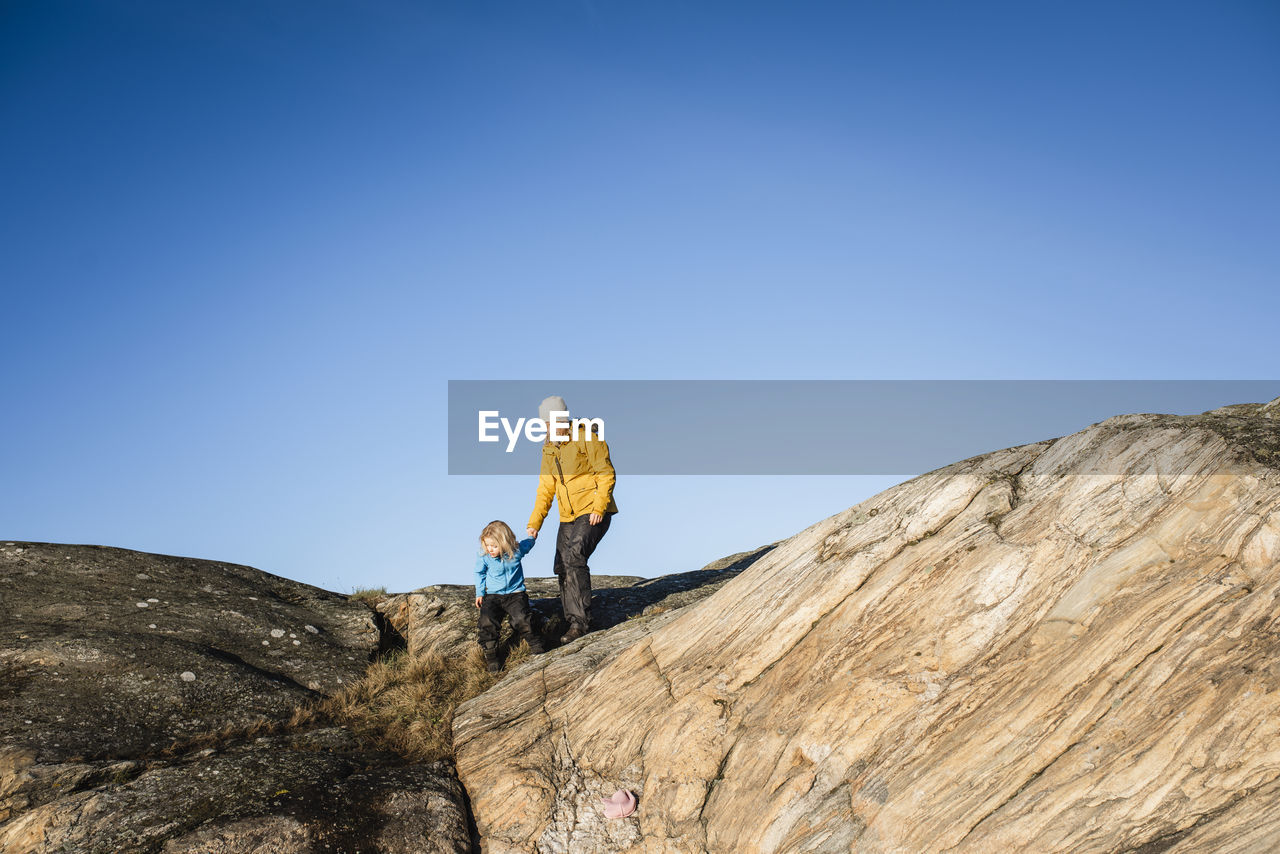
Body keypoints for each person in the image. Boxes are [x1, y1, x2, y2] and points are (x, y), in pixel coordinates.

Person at [526, 395, 617, 645]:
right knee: (562, 565)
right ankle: (571, 621)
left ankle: (580, 624)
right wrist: (535, 523)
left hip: (594, 509)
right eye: (546, 423)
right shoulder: (548, 449)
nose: (550, 427)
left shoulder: (586, 435)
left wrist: (600, 506)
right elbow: (545, 488)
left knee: (575, 556)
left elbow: (606, 473)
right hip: (568, 515)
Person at [474, 519, 543, 673]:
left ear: (505, 543)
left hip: (515, 594)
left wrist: (532, 536)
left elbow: (529, 544)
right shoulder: (484, 556)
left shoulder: (517, 551)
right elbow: (479, 573)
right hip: (492, 595)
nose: (490, 549)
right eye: (487, 545)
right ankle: (491, 655)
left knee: (521, 618)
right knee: (487, 621)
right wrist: (480, 592)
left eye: (494, 546)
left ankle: (535, 644)